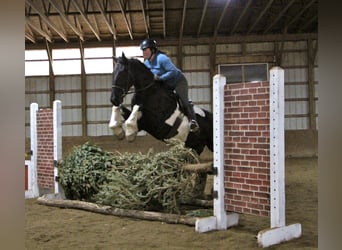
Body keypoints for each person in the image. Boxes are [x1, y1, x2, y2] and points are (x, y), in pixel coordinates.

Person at [140, 38, 200, 133]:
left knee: (184, 101)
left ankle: (193, 121)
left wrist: (161, 78)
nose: (144, 52)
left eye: (145, 50)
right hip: (165, 84)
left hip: (178, 81)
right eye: (143, 50)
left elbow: (173, 71)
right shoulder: (146, 63)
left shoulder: (162, 58)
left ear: (152, 50)